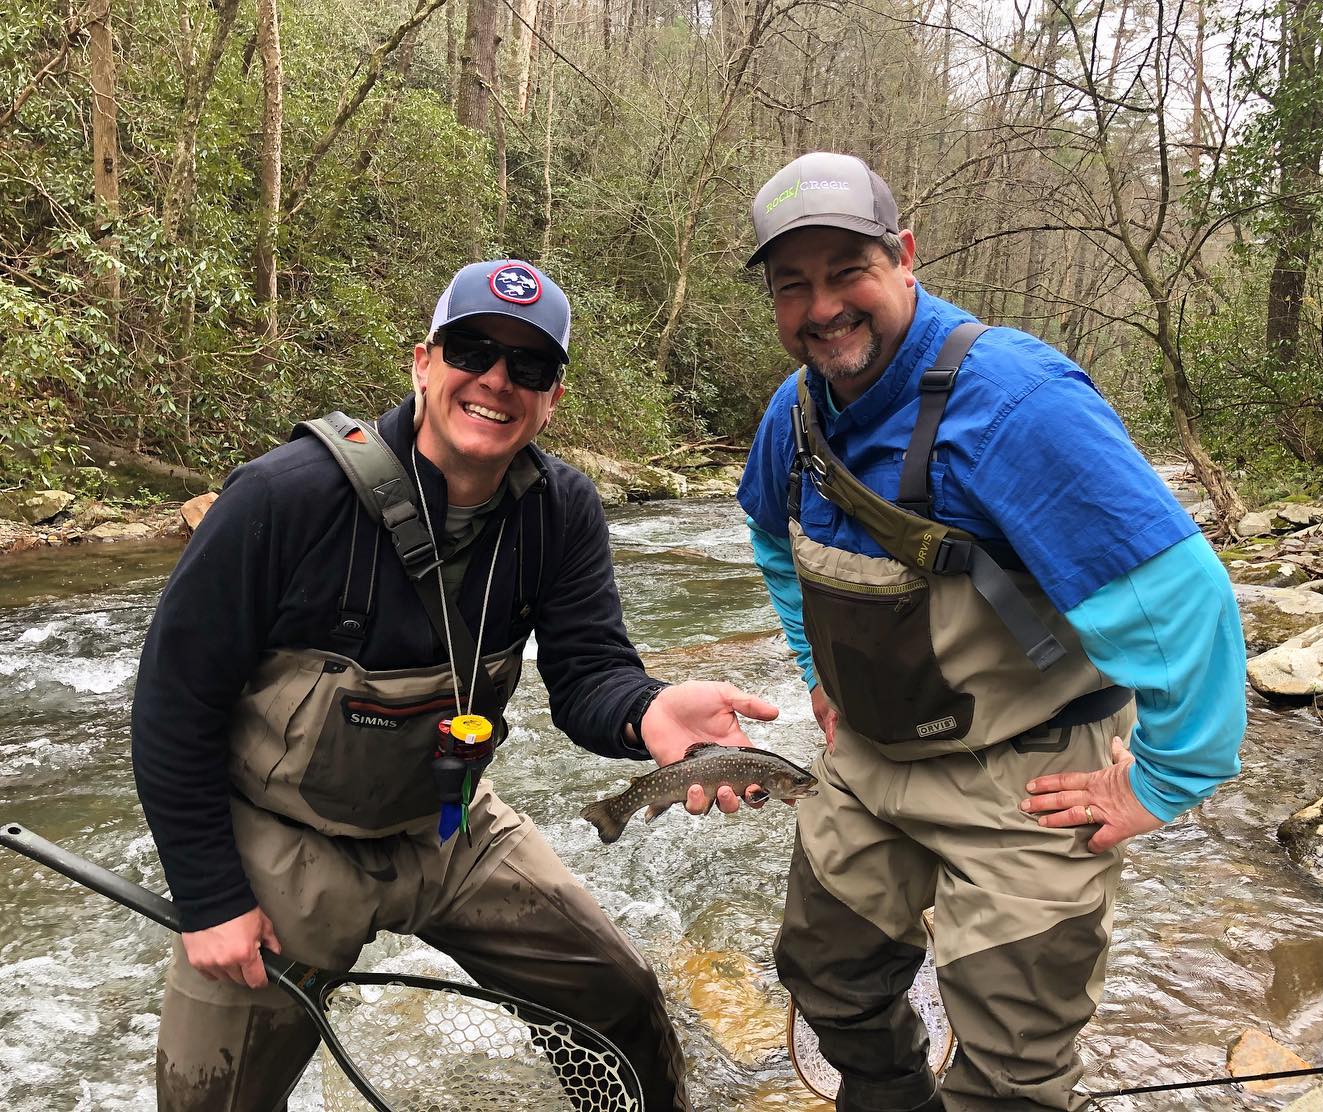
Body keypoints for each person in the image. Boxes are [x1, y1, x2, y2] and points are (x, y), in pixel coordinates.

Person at [131, 258, 779, 1111]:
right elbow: (172, 704)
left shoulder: (561, 510)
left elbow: (588, 675)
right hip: (279, 839)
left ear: (552, 397)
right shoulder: (285, 497)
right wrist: (211, 897)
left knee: (617, 1000)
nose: (496, 380)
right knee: (210, 1102)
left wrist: (649, 708)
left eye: (530, 366)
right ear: (423, 362)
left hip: (447, 824)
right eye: (473, 349)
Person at [737, 153, 1247, 1112]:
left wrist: (1161, 783)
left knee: (1013, 1070)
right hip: (870, 758)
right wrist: (816, 668)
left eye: (848, 269)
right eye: (792, 284)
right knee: (826, 975)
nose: (822, 307)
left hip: (1031, 777)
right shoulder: (793, 416)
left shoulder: (1017, 404)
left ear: (906, 258)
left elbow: (1186, 605)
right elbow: (774, 537)